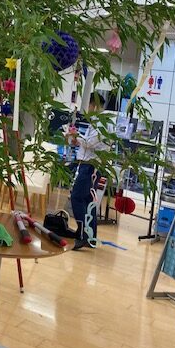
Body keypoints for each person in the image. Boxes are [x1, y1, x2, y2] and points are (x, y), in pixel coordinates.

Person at [69, 92, 108, 250]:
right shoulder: (97, 122)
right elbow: (89, 144)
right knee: (87, 201)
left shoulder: (102, 123)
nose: (88, 109)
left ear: (94, 105)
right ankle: (90, 237)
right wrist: (77, 140)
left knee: (77, 197)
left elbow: (91, 143)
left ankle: (83, 235)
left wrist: (77, 136)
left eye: (89, 105)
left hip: (91, 166)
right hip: (89, 165)